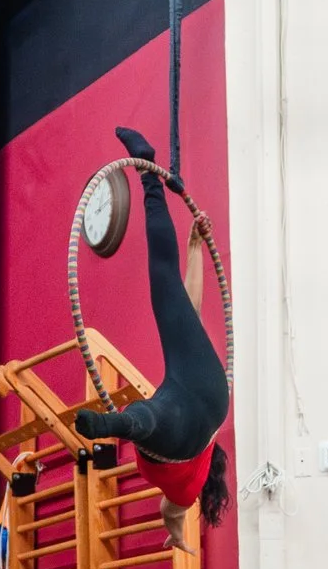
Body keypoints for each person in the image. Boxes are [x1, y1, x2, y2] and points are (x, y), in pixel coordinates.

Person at [74, 126, 229, 544]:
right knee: (149, 420)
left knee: (168, 287)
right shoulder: (182, 493)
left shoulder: (194, 481)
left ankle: (146, 163)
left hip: (212, 395)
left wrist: (196, 250)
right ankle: (111, 423)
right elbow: (171, 516)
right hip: (179, 419)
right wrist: (175, 536)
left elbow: (190, 316)